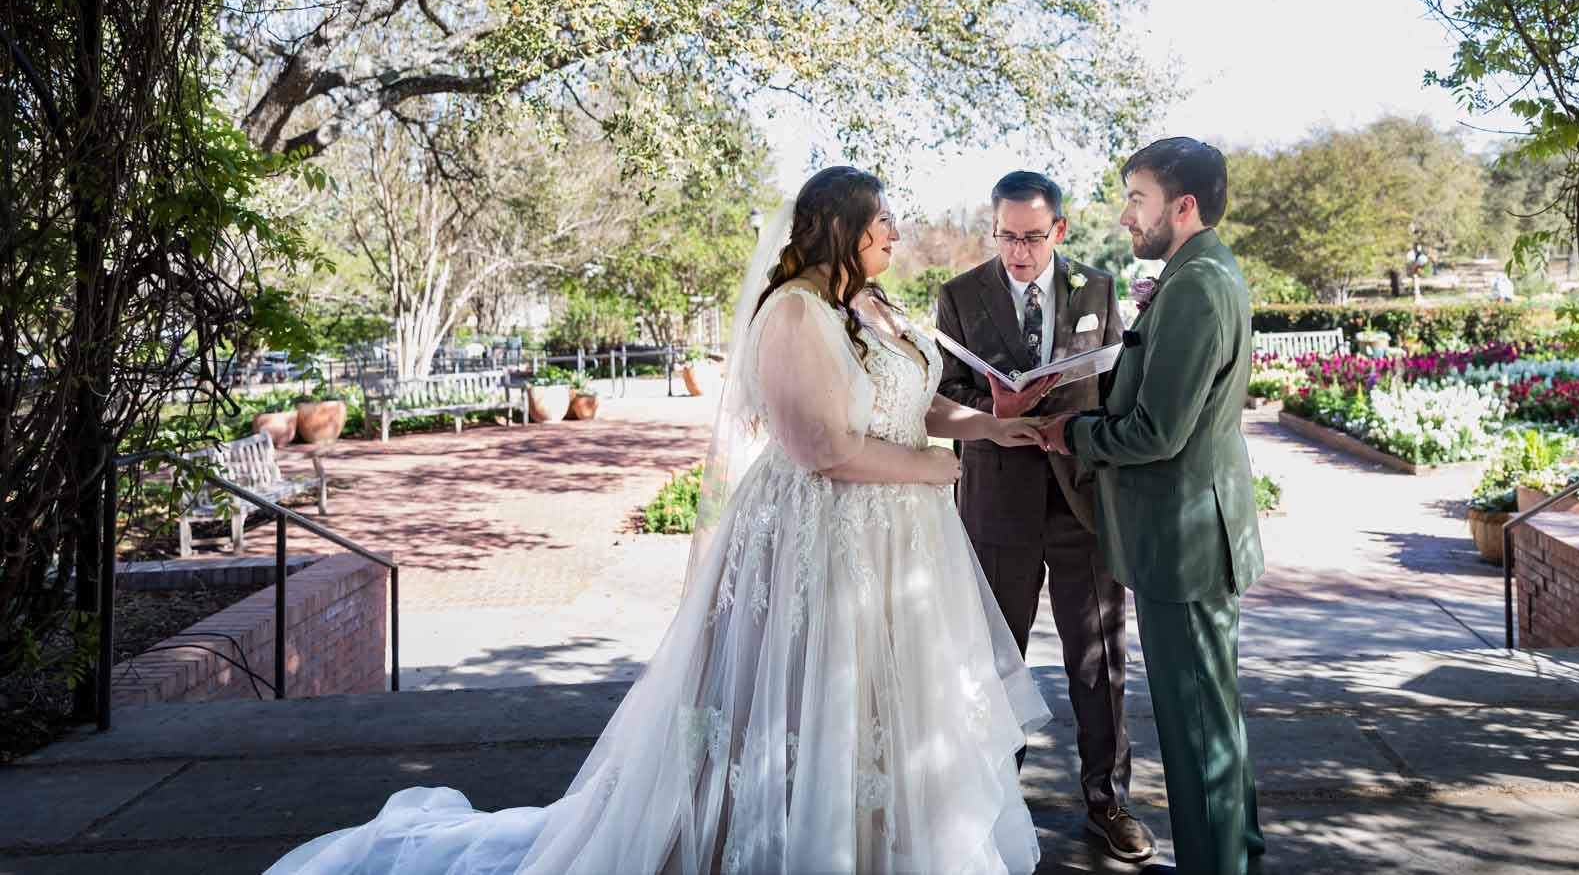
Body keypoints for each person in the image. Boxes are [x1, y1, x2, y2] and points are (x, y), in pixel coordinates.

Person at [266, 167, 1052, 875]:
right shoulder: (793, 316)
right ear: (842, 227)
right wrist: (937, 469)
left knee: (885, 704)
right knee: (812, 695)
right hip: (825, 535)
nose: (895, 233)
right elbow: (826, 449)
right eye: (883, 219)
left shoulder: (871, 307)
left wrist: (985, 428)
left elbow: (911, 404)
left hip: (898, 547)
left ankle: (881, 846)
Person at [1036, 137, 1267, 875]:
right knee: (1213, 727)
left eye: (1139, 198)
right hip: (1191, 536)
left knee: (1198, 731)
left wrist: (1072, 431)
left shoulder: (1197, 284)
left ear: (1184, 204)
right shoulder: (1195, 273)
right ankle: (1237, 857)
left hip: (1184, 544)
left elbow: (1157, 431)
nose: (1128, 213)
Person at [934, 171, 1157, 864]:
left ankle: (1109, 801)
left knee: (1099, 660)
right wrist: (993, 409)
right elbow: (940, 390)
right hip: (996, 501)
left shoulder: (1098, 289)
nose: (1019, 251)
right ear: (993, 229)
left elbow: (1118, 384)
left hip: (1082, 499)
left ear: (1059, 230)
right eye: (1006, 235)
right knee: (997, 661)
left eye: (1032, 236)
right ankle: (997, 803)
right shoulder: (958, 294)